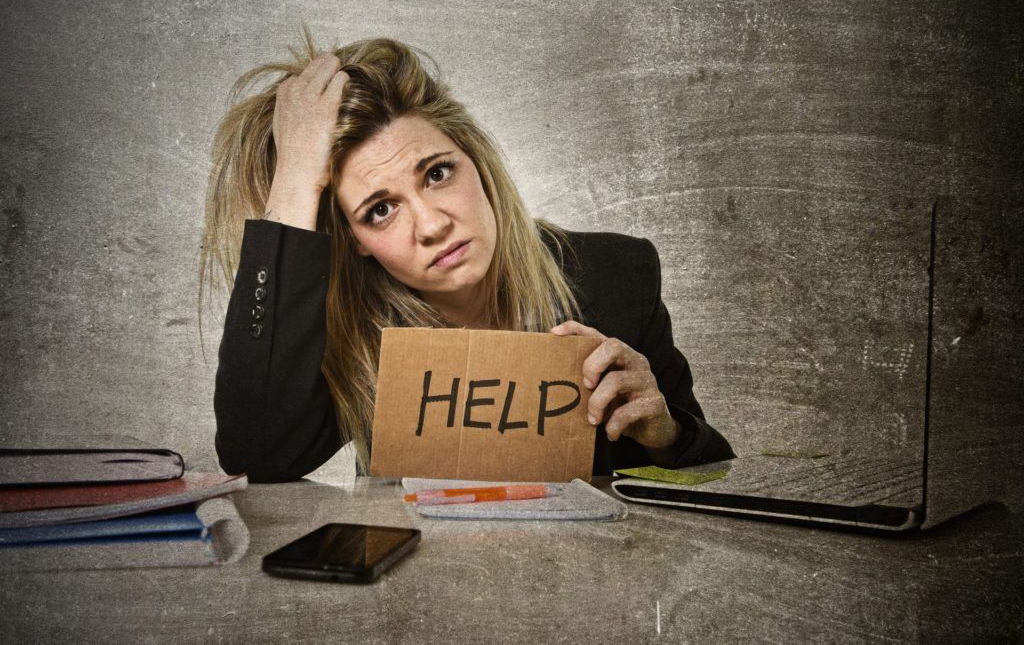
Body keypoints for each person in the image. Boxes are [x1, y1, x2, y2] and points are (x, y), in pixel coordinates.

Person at [200, 31, 734, 483]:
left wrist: (665, 435)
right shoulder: (350, 328)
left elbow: (712, 481)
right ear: (355, 239)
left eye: (437, 173)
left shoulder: (620, 275)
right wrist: (295, 181)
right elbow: (256, 456)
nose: (432, 225)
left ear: (475, 160)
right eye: (380, 209)